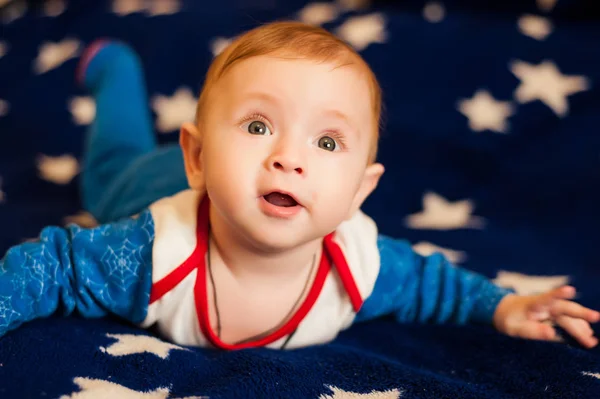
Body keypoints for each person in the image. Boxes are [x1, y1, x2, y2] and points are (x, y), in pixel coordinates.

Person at [0, 21, 598, 350]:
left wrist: (503, 307)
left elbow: (435, 286)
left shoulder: (357, 269)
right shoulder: (148, 253)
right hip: (143, 184)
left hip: (217, 182)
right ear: (200, 157)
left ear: (361, 193)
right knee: (111, 158)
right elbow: (48, 269)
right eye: (259, 126)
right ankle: (116, 70)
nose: (289, 158)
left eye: (328, 142)